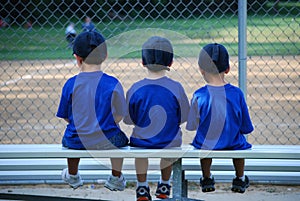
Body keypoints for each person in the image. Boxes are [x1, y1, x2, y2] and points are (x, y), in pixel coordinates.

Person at [56, 30, 129, 191]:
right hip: (107, 141)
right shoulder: (112, 83)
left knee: (69, 137)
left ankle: (73, 175)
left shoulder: (70, 84)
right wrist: (109, 123)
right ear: (105, 56)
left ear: (77, 58)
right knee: (119, 137)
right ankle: (116, 177)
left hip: (78, 140)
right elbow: (120, 114)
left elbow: (66, 116)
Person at [124, 36, 190, 201]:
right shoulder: (176, 87)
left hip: (142, 142)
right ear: (171, 62)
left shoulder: (135, 88)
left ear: (143, 62)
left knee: (140, 152)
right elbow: (185, 116)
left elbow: (128, 120)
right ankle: (164, 184)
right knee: (169, 147)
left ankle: (142, 187)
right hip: (170, 140)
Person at [186, 43, 254, 193]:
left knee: (204, 141)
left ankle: (206, 178)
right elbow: (246, 127)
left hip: (208, 143)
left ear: (201, 70)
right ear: (227, 69)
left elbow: (192, 125)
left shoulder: (199, 95)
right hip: (232, 141)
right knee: (239, 141)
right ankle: (240, 178)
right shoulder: (237, 93)